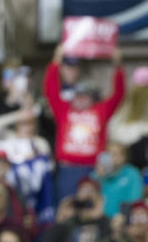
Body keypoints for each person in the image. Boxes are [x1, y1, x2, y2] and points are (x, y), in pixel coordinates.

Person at [44, 45, 125, 201]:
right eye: (77, 95)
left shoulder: (101, 111)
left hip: (93, 169)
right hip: (67, 169)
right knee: (65, 207)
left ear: (92, 98)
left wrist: (117, 66)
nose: (80, 99)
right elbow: (51, 89)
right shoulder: (63, 110)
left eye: (85, 96)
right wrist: (55, 61)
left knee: (92, 208)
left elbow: (118, 95)